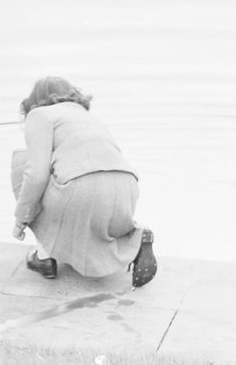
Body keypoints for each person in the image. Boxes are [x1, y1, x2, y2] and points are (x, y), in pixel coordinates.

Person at [11, 76, 157, 288]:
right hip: (128, 188)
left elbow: (36, 175)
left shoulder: (39, 114)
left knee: (24, 164)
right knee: (87, 199)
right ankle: (135, 235)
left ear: (34, 100)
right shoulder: (86, 116)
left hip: (83, 190)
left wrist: (20, 219)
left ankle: (43, 257)